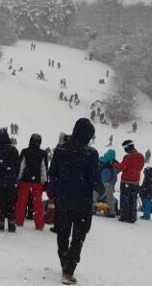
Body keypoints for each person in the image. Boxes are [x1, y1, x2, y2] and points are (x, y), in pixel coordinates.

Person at [48, 118, 104, 285]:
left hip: (64, 199)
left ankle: (65, 262)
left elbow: (53, 173)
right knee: (79, 235)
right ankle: (69, 268)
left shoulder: (60, 149)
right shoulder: (90, 153)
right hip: (82, 201)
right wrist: (101, 191)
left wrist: (58, 189)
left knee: (63, 232)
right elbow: (94, 179)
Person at [15, 133, 49, 230]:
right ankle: (39, 225)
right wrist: (45, 182)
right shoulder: (43, 153)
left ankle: (19, 221)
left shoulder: (25, 151)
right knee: (37, 204)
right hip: (37, 182)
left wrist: (18, 178)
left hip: (25, 180)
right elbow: (43, 169)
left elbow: (21, 166)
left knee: (21, 202)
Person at [112, 140, 144, 223]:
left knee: (124, 199)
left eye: (124, 148)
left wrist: (114, 164)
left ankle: (124, 216)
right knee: (133, 199)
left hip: (126, 182)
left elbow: (122, 168)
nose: (124, 150)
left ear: (127, 147)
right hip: (136, 182)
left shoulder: (127, 157)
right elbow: (139, 167)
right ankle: (132, 217)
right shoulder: (141, 156)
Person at [98, 149, 119, 218]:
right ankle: (111, 212)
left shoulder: (102, 159)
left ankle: (92, 208)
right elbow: (119, 169)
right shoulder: (115, 162)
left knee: (95, 193)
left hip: (101, 181)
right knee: (110, 196)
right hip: (111, 182)